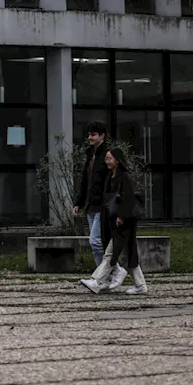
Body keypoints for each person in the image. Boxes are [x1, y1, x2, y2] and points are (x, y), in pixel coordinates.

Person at [81, 147, 148, 295]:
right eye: (106, 158)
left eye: (109, 158)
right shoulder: (110, 177)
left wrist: (122, 216)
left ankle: (97, 281)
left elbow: (128, 199)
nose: (106, 161)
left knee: (110, 253)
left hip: (124, 222)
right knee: (130, 252)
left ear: (117, 160)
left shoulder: (125, 177)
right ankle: (140, 285)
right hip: (114, 221)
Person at [72, 121, 125, 289]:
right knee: (97, 245)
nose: (90, 137)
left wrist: (112, 202)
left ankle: (115, 270)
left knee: (96, 241)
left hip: (103, 205)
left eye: (93, 134)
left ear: (102, 136)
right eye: (89, 134)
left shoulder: (108, 155)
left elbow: (114, 179)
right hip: (90, 204)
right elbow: (85, 181)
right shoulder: (90, 154)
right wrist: (79, 202)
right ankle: (104, 279)